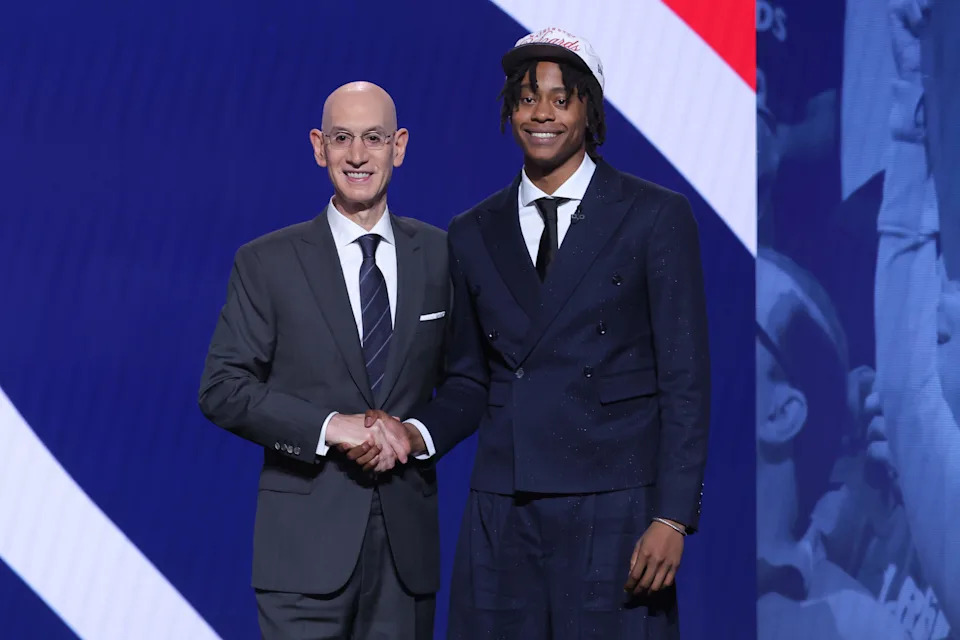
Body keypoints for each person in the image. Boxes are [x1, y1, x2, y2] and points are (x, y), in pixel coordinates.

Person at [362, 28, 710, 638]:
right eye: (526, 98)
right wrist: (413, 433)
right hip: (505, 509)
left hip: (616, 505)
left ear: (588, 110)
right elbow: (470, 379)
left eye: (560, 97)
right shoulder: (472, 231)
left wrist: (673, 517)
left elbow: (686, 381)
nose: (542, 112)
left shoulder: (654, 216)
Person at [197, 81, 448, 640]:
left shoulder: (440, 255)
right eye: (342, 138)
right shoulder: (267, 262)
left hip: (406, 558)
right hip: (301, 558)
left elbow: (470, 384)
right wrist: (330, 427)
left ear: (399, 146)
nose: (358, 155)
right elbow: (221, 387)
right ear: (319, 146)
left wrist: (414, 433)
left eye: (374, 138)